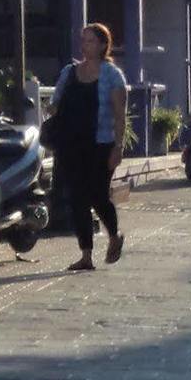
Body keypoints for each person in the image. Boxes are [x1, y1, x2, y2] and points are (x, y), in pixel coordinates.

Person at [49, 23, 128, 273]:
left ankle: (114, 235)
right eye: (83, 41)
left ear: (104, 45)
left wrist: (118, 146)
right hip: (70, 145)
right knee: (76, 198)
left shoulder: (112, 75)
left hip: (100, 143)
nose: (85, 45)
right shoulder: (69, 72)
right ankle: (86, 254)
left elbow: (119, 114)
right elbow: (55, 103)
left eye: (91, 41)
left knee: (98, 194)